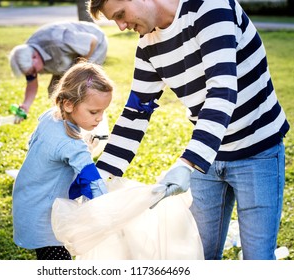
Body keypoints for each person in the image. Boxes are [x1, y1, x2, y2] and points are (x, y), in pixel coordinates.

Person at [88, 0, 290, 260]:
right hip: (208, 156)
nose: (121, 26)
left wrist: (188, 162)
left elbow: (222, 91)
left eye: (121, 15)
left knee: (258, 260)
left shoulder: (210, 7)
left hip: (257, 150)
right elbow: (136, 114)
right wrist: (99, 180)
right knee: (198, 256)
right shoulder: (148, 46)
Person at [12, 61, 114, 260]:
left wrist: (86, 145)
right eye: (94, 112)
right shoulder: (73, 146)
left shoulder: (50, 117)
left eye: (103, 111)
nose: (100, 118)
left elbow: (35, 143)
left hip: (28, 199)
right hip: (47, 218)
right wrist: (111, 215)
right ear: (68, 103)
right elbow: (93, 183)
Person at [9, 21, 108, 123]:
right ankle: (62, 122)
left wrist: (77, 70)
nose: (34, 74)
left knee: (82, 87)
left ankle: (89, 121)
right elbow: (31, 83)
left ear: (34, 57)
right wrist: (26, 105)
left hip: (94, 47)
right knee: (54, 90)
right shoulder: (26, 56)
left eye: (34, 70)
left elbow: (92, 41)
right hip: (65, 58)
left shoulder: (58, 40)